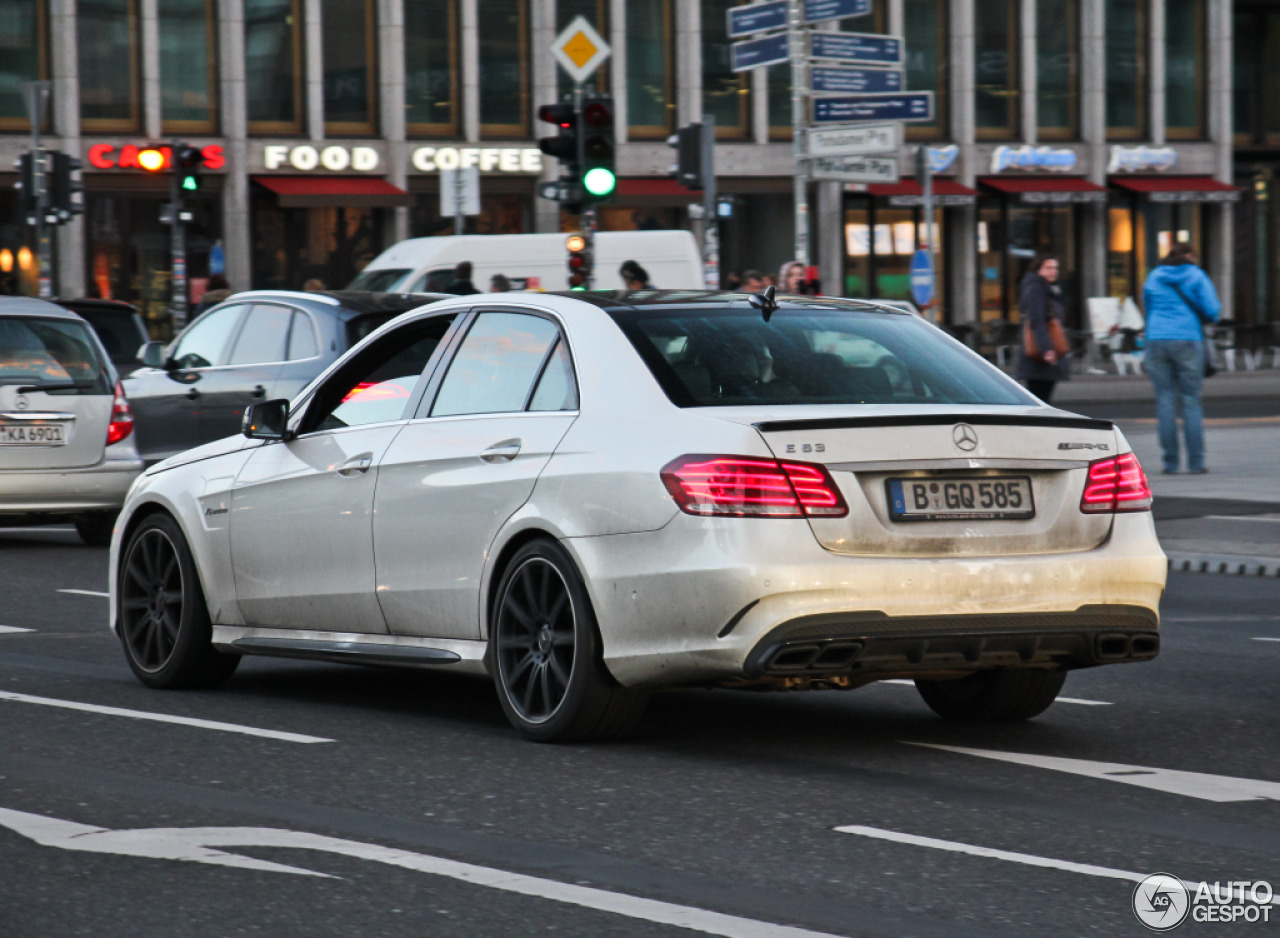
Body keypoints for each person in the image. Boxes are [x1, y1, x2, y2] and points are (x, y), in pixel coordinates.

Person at [1142, 241, 1221, 474]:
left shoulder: (1154, 276)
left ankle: (1170, 462)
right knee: (1190, 401)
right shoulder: (1196, 275)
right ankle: (1196, 463)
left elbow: (1147, 308)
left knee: (1165, 399)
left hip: (1156, 338)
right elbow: (1212, 309)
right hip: (1187, 338)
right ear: (1190, 256)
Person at [1014, 254, 1069, 404]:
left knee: (1041, 397)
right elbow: (1036, 320)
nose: (1053, 271)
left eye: (1055, 268)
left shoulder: (1046, 288)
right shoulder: (1036, 288)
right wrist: (1047, 349)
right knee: (1040, 398)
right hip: (1040, 353)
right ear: (1038, 269)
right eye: (1048, 268)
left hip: (1043, 351)